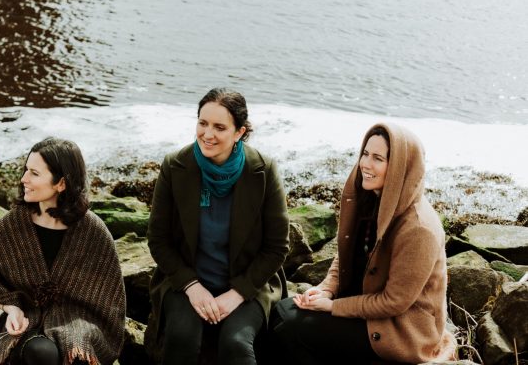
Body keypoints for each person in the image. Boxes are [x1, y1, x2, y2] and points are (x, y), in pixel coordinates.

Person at [271, 123, 457, 364]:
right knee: (281, 311)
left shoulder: (419, 229)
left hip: (400, 331)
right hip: (365, 310)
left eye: (378, 158)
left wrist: (331, 307)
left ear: (400, 168)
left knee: (290, 327)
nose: (365, 164)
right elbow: (346, 254)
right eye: (365, 154)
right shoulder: (370, 200)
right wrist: (326, 288)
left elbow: (393, 302)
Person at [147, 88, 290, 365]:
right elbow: (158, 240)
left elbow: (277, 248)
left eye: (219, 127)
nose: (207, 134)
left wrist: (237, 294)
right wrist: (191, 286)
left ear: (239, 132)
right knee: (182, 337)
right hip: (185, 281)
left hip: (248, 283)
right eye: (202, 123)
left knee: (236, 345)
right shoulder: (175, 166)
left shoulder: (263, 170)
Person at [0, 137, 126, 365]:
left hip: (79, 322)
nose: (23, 179)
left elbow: (109, 300)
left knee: (78, 353)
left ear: (61, 184)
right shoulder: (14, 223)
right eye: (26, 170)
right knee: (41, 352)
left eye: (34, 174)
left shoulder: (92, 231)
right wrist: (12, 308)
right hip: (27, 321)